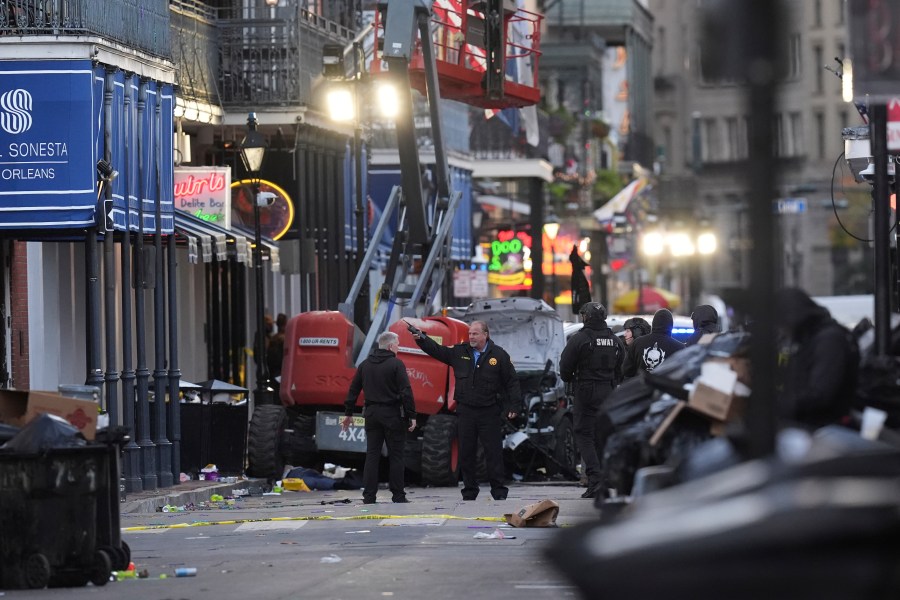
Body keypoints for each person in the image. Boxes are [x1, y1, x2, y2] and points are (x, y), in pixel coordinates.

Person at [410, 320, 520, 501]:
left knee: (493, 452)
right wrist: (422, 339)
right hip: (466, 411)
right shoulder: (460, 351)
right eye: (470, 334)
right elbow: (438, 351)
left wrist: (513, 406)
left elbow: (512, 382)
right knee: (466, 452)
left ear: (486, 334)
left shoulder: (499, 355)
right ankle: (469, 491)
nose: (471, 337)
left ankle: (498, 491)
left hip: (489, 411)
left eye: (475, 334)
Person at [559, 302, 626, 499]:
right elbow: (620, 367)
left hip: (586, 391)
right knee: (602, 435)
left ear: (586, 317)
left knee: (584, 434)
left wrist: (573, 380)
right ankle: (605, 478)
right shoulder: (614, 340)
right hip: (608, 390)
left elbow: (565, 368)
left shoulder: (580, 339)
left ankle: (596, 480)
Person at [342, 331, 417, 504]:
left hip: (372, 414)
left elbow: (353, 390)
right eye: (397, 344)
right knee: (396, 455)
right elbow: (406, 391)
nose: (398, 347)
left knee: (372, 455)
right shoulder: (396, 364)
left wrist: (348, 413)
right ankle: (398, 495)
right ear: (391, 346)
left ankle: (369, 496)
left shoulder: (365, 365)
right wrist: (412, 415)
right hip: (392, 415)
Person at [774, 288, 858, 429]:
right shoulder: (809, 339)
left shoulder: (829, 340)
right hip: (810, 423)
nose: (782, 330)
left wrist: (779, 404)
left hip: (824, 426)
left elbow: (819, 395)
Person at [623, 308, 686, 377]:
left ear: (654, 323)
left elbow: (626, 370)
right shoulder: (679, 348)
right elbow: (683, 374)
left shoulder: (637, 343)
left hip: (641, 386)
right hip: (665, 387)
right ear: (671, 326)